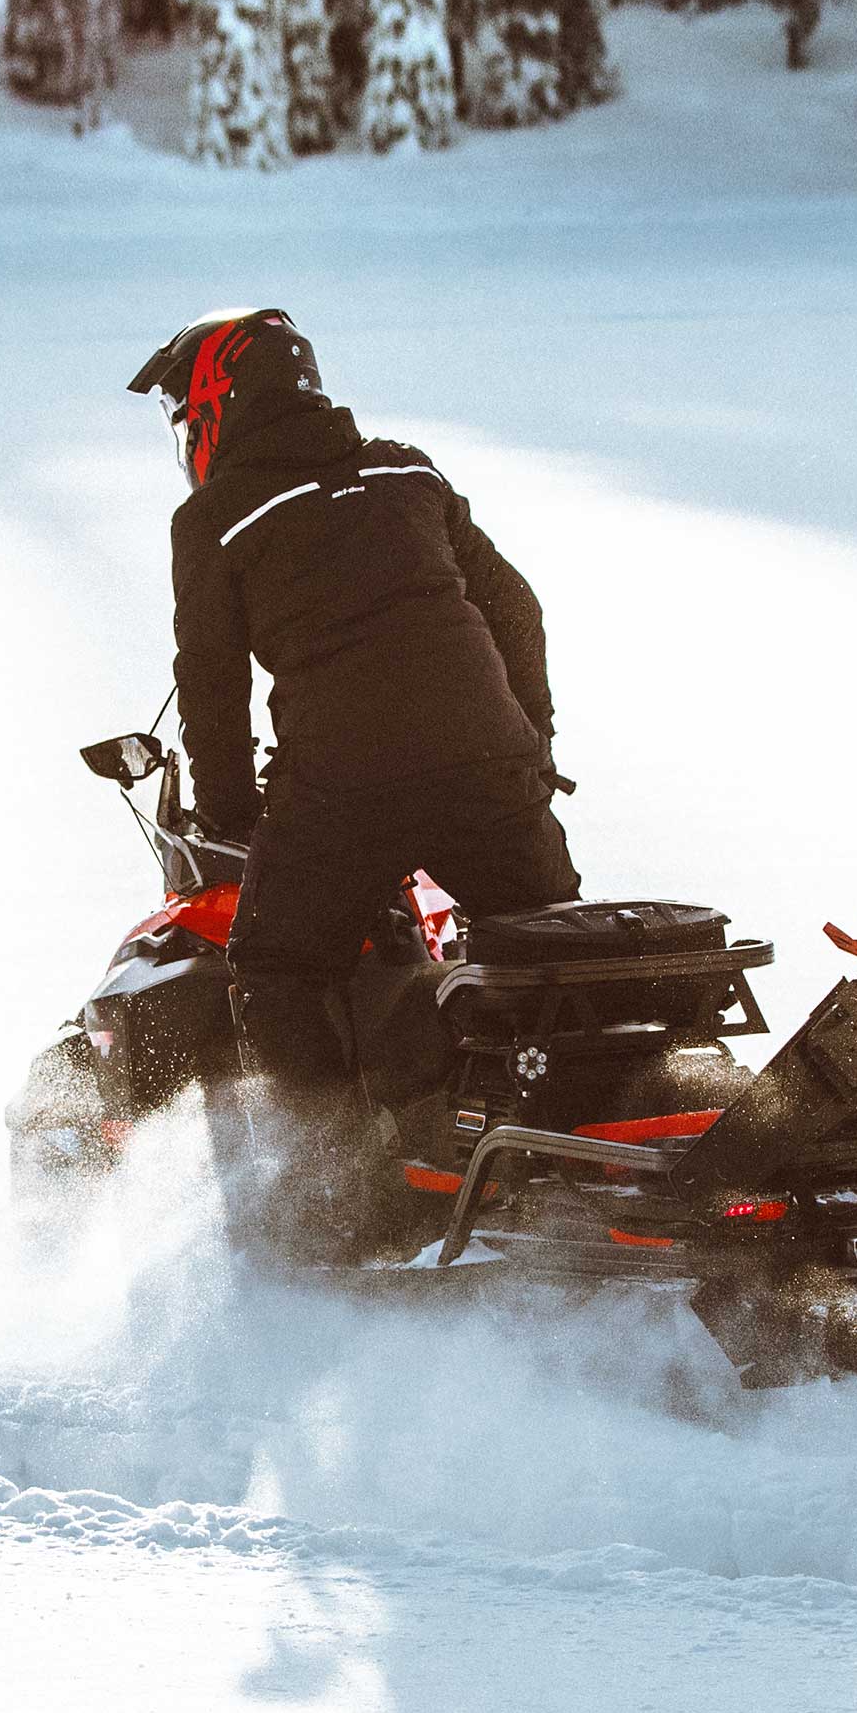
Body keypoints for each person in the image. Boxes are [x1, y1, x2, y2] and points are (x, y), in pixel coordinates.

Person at [127, 306, 581, 1261]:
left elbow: (211, 687)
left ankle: (340, 1205)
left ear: (219, 406)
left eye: (185, 417)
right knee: (553, 965)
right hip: (489, 769)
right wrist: (527, 744)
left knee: (278, 967)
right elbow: (517, 607)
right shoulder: (406, 469)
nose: (186, 440)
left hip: (344, 783)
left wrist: (233, 817)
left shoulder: (213, 517)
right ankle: (576, 1151)